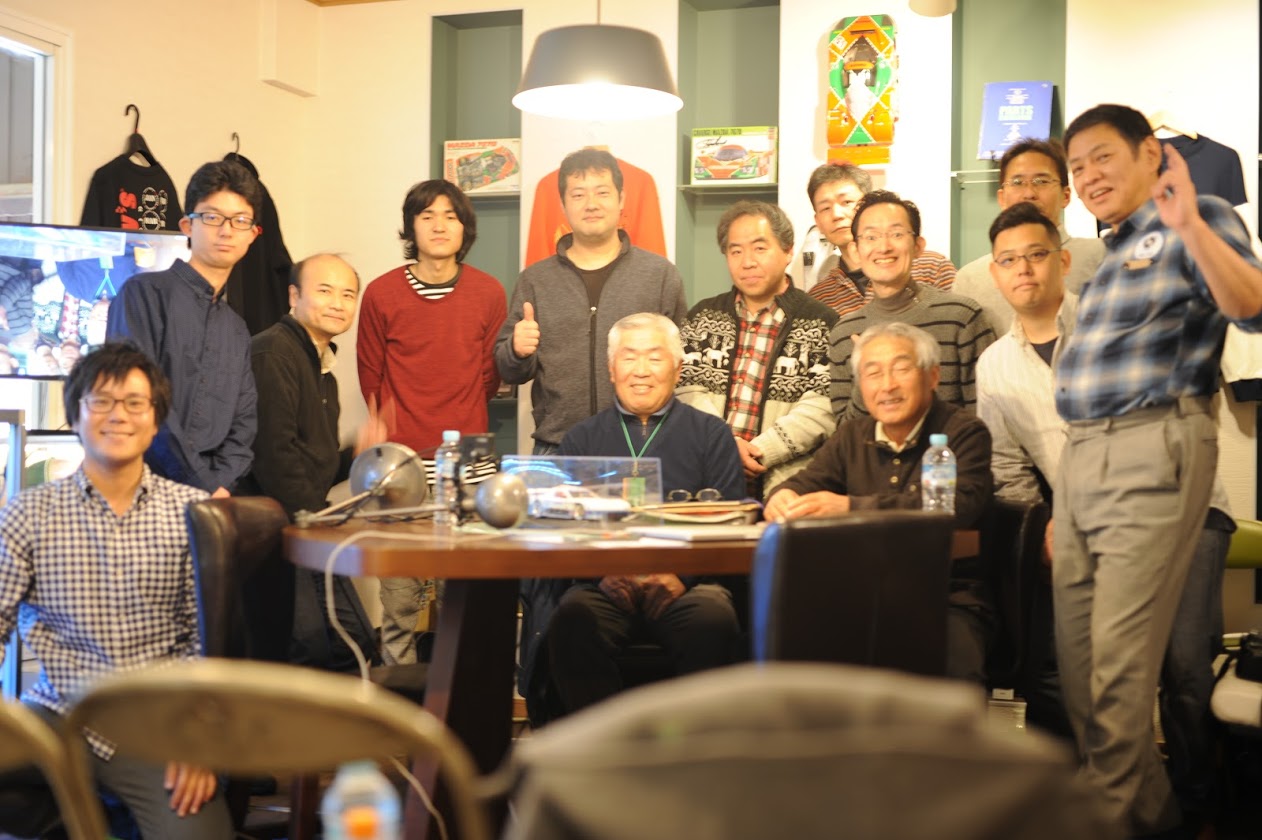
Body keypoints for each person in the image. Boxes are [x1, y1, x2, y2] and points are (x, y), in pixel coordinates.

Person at [976, 201, 1234, 815]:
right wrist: (1044, 526)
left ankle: (1200, 804)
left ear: (1063, 261)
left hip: (1184, 508)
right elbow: (1009, 470)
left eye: (1036, 255)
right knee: (1092, 674)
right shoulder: (995, 366)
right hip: (1085, 524)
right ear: (995, 273)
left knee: (1185, 669)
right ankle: (1138, 807)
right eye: (1009, 260)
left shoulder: (1121, 318)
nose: (1024, 270)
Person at [1054, 103, 1262, 837]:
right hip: (1082, 461)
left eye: (1102, 157)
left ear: (1151, 154)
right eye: (1077, 167)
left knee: (1117, 675)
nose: (1088, 176)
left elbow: (1252, 306)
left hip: (1150, 448)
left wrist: (1191, 227)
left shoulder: (1197, 217)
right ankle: (1153, 820)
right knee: (1080, 674)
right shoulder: (1111, 254)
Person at [0, 341, 231, 838]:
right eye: (101, 401)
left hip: (157, 723)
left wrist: (197, 742)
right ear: (75, 414)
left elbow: (206, 646)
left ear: (155, 419)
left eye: (134, 403)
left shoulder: (193, 512)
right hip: (56, 715)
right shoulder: (28, 513)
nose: (118, 415)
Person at [520, 313, 744, 722]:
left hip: (687, 586)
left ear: (677, 368)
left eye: (655, 358)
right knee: (572, 617)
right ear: (611, 369)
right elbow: (564, 527)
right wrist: (602, 574)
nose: (641, 371)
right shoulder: (581, 439)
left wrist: (682, 577)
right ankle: (605, 743)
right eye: (629, 357)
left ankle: (692, 745)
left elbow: (731, 523)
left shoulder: (711, 434)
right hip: (603, 585)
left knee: (714, 618)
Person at [765, 322, 995, 683]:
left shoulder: (963, 432)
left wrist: (849, 509)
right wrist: (781, 496)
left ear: (933, 376)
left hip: (944, 592)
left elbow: (954, 507)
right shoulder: (851, 435)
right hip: (859, 589)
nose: (887, 385)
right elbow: (806, 482)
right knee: (793, 654)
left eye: (901, 369)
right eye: (872, 373)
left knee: (956, 669)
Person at [357, 180, 507, 664]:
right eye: (427, 216)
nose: (439, 225)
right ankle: (396, 694)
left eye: (450, 216)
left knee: (461, 593)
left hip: (469, 462)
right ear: (411, 227)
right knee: (399, 598)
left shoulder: (488, 292)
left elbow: (489, 377)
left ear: (465, 228)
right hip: (399, 466)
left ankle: (459, 694)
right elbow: (371, 376)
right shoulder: (381, 293)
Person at [495, 148, 687, 454]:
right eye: (578, 194)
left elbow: (681, 364)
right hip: (558, 447)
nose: (591, 204)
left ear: (621, 199)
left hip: (643, 443)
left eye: (602, 192)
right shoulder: (535, 279)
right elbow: (510, 372)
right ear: (563, 204)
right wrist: (517, 351)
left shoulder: (660, 274)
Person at [245, 253, 385, 671]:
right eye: (325, 291)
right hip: (278, 532)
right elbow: (274, 457)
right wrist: (320, 523)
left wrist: (355, 453)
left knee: (354, 642)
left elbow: (314, 465)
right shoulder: (273, 352)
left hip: (308, 526)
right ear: (294, 296)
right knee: (317, 646)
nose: (338, 303)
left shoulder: (323, 370)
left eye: (348, 294)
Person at [106, 159, 261, 495]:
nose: (226, 231)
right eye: (212, 217)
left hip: (214, 498)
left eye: (240, 220)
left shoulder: (237, 329)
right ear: (187, 225)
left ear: (253, 234)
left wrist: (220, 485)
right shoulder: (143, 295)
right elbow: (138, 401)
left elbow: (244, 423)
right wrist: (201, 485)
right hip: (142, 489)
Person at [676, 200, 838, 499]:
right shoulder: (702, 317)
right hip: (706, 479)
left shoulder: (822, 322)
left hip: (789, 486)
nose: (747, 262)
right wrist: (724, 444)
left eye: (759, 248)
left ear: (788, 252)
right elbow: (684, 390)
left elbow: (823, 405)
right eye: (735, 251)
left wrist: (762, 451)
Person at [828, 190, 995, 421]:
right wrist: (866, 373)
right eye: (871, 237)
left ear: (918, 246)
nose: (884, 247)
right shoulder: (844, 333)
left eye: (896, 234)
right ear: (856, 250)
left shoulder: (961, 318)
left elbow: (987, 418)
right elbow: (846, 431)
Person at [954, 139, 1105, 334]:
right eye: (1017, 182)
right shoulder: (970, 280)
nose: (1029, 193)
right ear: (1001, 198)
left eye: (1041, 181)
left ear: (1066, 195)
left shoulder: (1102, 256)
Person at [802, 162, 955, 314]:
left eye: (847, 202)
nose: (837, 215)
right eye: (825, 208)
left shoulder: (932, 267)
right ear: (818, 222)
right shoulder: (819, 298)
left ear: (867, 206)